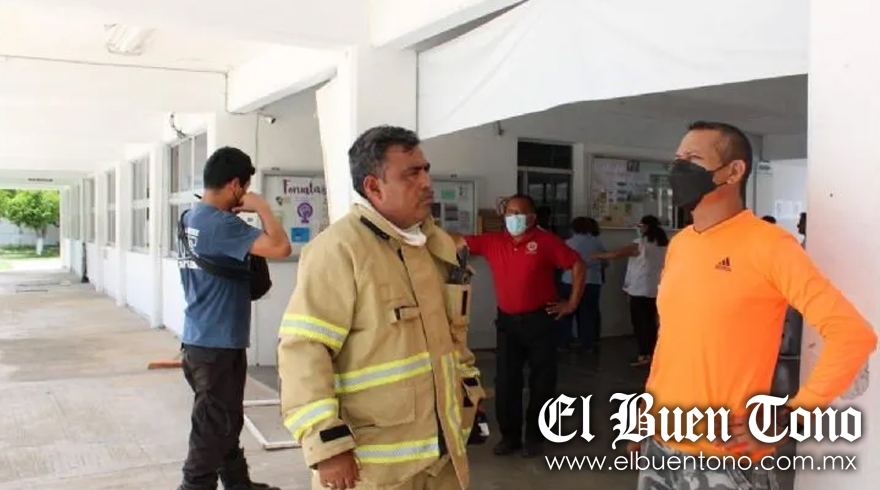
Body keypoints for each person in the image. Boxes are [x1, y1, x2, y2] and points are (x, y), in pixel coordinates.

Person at [635, 121, 877, 490]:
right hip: (661, 445)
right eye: (676, 159)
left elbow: (852, 335)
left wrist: (788, 420)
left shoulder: (769, 246)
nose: (677, 169)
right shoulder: (682, 244)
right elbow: (672, 339)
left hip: (725, 458)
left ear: (733, 171)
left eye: (693, 158)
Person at [277, 126, 484, 490]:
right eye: (411, 174)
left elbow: (454, 338)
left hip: (444, 458)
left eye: (425, 169)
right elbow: (304, 352)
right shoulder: (339, 250)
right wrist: (327, 446)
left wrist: (470, 392)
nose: (426, 183)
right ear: (373, 187)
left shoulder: (439, 247)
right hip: (374, 469)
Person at [176, 147, 291, 490]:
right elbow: (281, 247)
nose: (245, 195)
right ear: (235, 185)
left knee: (224, 420)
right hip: (218, 345)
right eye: (245, 189)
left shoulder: (190, 218)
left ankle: (238, 483)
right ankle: (194, 486)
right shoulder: (221, 224)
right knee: (211, 429)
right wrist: (263, 208)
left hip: (199, 338)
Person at [450, 195, 585, 458]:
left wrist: (571, 304)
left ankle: (535, 437)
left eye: (521, 213)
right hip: (508, 324)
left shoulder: (546, 242)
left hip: (541, 321)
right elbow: (457, 241)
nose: (515, 218)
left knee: (542, 382)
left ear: (532, 217)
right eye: (511, 213)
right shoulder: (493, 242)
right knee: (506, 383)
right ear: (504, 216)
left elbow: (577, 264)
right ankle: (510, 437)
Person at [591, 215, 668, 367]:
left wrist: (596, 255)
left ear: (645, 227)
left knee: (640, 323)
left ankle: (643, 354)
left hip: (639, 289)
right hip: (657, 288)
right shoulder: (664, 245)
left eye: (640, 226)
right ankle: (653, 353)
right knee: (651, 323)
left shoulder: (640, 244)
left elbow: (616, 254)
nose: (638, 229)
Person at [558, 217, 606, 353]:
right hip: (592, 281)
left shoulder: (568, 243)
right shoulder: (597, 242)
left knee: (566, 312)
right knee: (588, 314)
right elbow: (605, 262)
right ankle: (588, 345)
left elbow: (560, 263)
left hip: (569, 280)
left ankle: (563, 342)